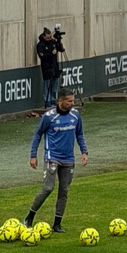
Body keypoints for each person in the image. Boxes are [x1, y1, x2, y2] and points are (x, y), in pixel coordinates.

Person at [25, 88, 87, 234]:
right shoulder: (49, 117)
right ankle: (30, 216)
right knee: (48, 188)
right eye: (69, 101)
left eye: (73, 100)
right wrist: (33, 155)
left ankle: (57, 224)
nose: (72, 103)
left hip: (68, 159)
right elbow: (37, 135)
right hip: (52, 157)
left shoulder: (75, 115)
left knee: (64, 191)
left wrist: (84, 151)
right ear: (60, 101)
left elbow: (79, 134)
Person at [35, 27, 63, 109]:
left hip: (55, 66)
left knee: (54, 84)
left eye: (50, 37)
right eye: (47, 38)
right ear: (44, 36)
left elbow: (60, 49)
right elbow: (42, 56)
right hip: (46, 67)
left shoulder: (53, 42)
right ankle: (47, 101)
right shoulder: (40, 45)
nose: (49, 39)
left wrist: (59, 42)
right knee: (47, 84)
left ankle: (54, 99)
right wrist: (51, 53)